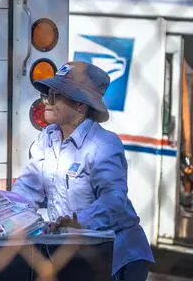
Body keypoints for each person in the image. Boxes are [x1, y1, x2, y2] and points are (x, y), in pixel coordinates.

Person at [11, 61, 154, 281]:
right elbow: (26, 190)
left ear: (80, 105)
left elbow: (114, 200)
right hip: (75, 254)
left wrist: (80, 221)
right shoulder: (47, 139)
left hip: (117, 256)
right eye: (48, 93)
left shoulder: (103, 144)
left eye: (57, 94)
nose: (47, 100)